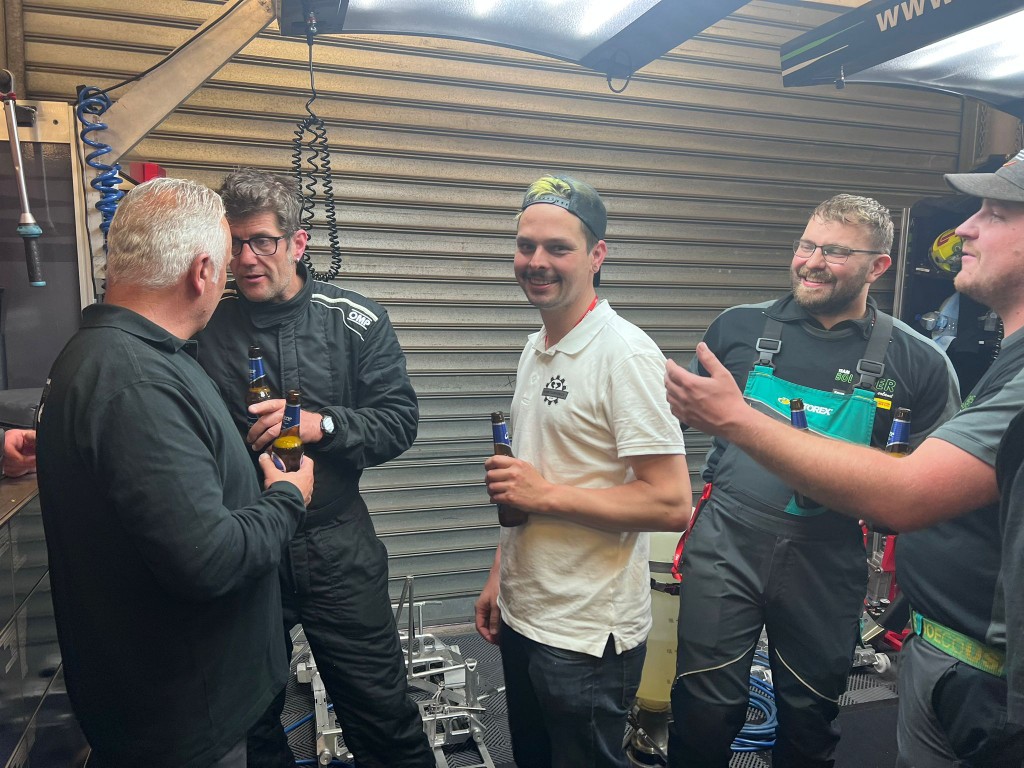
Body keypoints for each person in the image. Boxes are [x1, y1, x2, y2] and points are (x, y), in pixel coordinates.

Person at [665, 151, 1024, 767]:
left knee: (810, 715)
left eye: (835, 252)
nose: (811, 262)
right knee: (703, 708)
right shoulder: (736, 329)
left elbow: (927, 490)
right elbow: (680, 426)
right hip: (726, 543)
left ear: (878, 266)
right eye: (807, 245)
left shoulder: (920, 362)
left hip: (827, 559)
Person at [34, 177, 313, 768]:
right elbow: (209, 560)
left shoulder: (115, 356)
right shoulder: (135, 381)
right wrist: (288, 495)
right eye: (227, 260)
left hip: (170, 700)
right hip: (187, 720)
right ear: (202, 271)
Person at [195, 168, 431, 768]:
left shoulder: (354, 320)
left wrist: (321, 425)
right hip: (249, 545)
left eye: (262, 242)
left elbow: (399, 422)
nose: (246, 259)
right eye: (234, 244)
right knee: (250, 720)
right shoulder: (205, 327)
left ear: (298, 242)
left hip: (336, 545)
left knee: (381, 713)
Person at [474, 173, 692, 768]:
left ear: (597, 255)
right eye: (526, 246)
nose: (536, 262)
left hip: (586, 636)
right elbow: (528, 480)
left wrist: (545, 495)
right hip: (527, 612)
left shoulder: (625, 355)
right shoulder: (537, 347)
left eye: (558, 248)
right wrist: (500, 576)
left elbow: (671, 503)